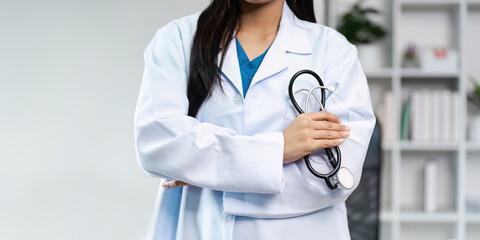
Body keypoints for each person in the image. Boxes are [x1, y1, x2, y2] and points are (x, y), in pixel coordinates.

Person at [134, 0, 376, 239]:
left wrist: (206, 171)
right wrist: (281, 149)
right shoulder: (177, 39)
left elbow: (337, 177)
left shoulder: (334, 52)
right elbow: (157, 144)